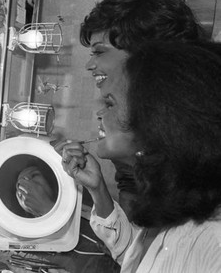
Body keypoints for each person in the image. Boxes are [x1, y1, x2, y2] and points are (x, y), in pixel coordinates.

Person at [58, 41, 221, 272]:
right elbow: (140, 260)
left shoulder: (211, 243)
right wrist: (97, 190)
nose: (100, 114)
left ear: (158, 123)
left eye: (110, 103)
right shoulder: (174, 209)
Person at [78, 0, 207, 214]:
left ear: (142, 53)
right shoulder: (131, 139)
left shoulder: (200, 143)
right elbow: (139, 241)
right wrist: (98, 188)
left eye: (99, 52)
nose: (89, 66)